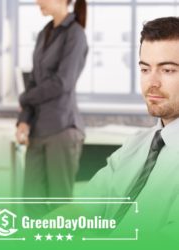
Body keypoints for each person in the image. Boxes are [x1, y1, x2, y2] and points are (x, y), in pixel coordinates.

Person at [76, 16, 179, 236]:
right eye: (145, 69)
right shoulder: (135, 147)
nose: (152, 83)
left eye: (168, 70)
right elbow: (83, 211)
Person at [16, 0, 88, 216]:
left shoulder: (75, 34)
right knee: (31, 201)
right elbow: (34, 81)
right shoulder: (44, 33)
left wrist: (23, 97)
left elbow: (62, 82)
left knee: (60, 207)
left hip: (62, 128)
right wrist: (23, 120)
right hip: (37, 130)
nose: (37, 2)